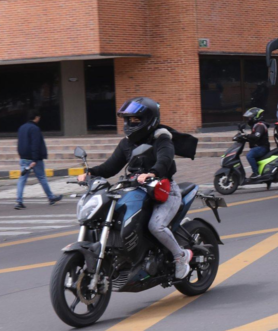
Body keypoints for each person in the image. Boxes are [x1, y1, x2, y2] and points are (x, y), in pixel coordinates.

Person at [77, 97, 192, 279]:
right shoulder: (127, 143)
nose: (130, 124)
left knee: (156, 226)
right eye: (128, 120)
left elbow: (165, 159)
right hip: (136, 189)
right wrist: (90, 173)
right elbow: (110, 167)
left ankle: (180, 256)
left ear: (149, 120)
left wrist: (152, 173)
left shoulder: (162, 139)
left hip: (164, 190)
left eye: (136, 120)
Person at [15, 109, 62, 209]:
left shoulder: (21, 128)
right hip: (33, 159)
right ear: (36, 117)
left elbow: (19, 143)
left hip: (23, 158)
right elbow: (35, 145)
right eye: (39, 117)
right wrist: (35, 160)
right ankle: (51, 198)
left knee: (22, 179)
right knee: (42, 178)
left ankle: (19, 201)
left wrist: (21, 156)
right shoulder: (34, 129)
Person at [242, 107, 272, 175]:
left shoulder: (260, 125)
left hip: (262, 147)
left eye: (250, 117)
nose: (249, 119)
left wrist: (246, 135)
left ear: (255, 117)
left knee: (249, 155)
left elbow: (256, 136)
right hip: (258, 146)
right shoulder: (256, 125)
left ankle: (256, 173)